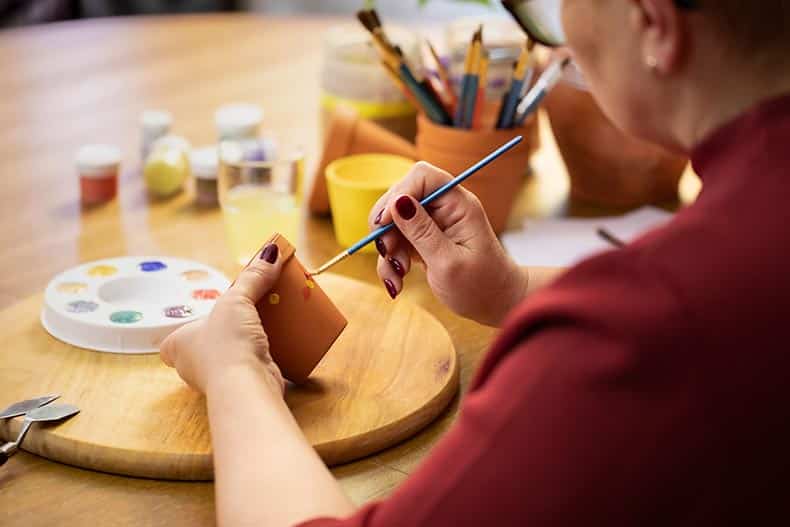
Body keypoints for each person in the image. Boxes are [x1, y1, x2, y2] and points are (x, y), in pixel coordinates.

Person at [160, 0, 790, 525]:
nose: (555, 43)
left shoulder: (645, 329)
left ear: (653, 20)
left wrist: (235, 375)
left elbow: (677, 319)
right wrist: (514, 291)